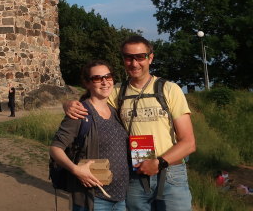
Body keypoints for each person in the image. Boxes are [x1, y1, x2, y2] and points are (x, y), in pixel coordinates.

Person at [65, 36, 196, 211]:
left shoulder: (169, 89)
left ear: (150, 58)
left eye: (140, 57)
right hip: (135, 176)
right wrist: (67, 104)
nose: (134, 63)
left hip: (170, 174)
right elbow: (91, 102)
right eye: (128, 57)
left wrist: (158, 163)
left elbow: (188, 142)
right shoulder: (117, 92)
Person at [51, 60, 129, 210]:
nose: (105, 82)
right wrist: (76, 170)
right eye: (97, 78)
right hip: (94, 199)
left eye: (108, 76)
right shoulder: (81, 112)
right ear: (87, 83)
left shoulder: (114, 111)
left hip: (120, 198)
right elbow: (55, 149)